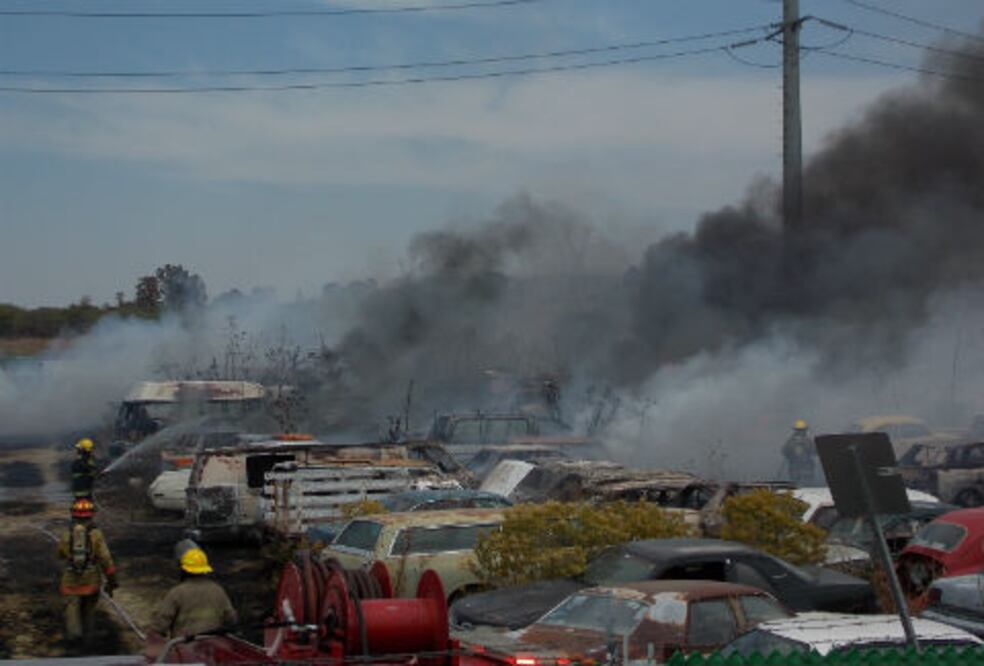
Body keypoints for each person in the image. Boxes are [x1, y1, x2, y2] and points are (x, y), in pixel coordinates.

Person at [147, 545, 237, 646]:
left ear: (183, 569)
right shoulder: (218, 590)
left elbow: (160, 625)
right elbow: (231, 619)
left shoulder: (177, 592)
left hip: (185, 649)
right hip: (213, 648)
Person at [57, 498, 118, 644]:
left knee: (72, 607)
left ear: (73, 514)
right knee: (89, 609)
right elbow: (106, 558)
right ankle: (89, 638)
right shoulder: (96, 534)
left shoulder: (67, 533)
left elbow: (60, 554)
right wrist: (112, 581)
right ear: (91, 515)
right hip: (91, 579)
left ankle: (74, 636)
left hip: (70, 579)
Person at [782, 419, 817, 485]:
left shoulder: (808, 441)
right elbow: (785, 451)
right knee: (796, 483)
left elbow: (815, 451)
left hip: (807, 466)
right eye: (799, 430)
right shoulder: (791, 441)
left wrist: (807, 447)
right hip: (795, 467)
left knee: (808, 483)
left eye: (802, 430)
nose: (801, 432)